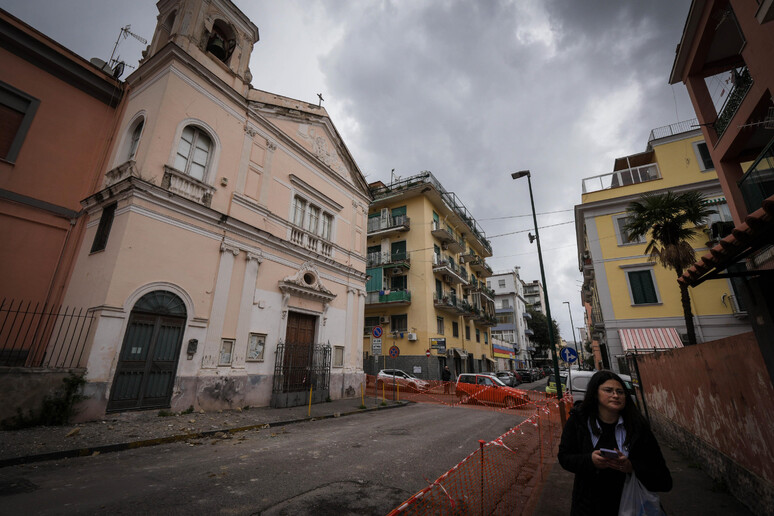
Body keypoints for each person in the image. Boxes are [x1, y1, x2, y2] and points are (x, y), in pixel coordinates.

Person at [558, 370, 672, 515]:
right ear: (595, 393)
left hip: (632, 506)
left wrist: (631, 466)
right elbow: (564, 457)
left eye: (620, 392)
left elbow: (664, 478)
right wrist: (590, 460)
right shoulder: (578, 422)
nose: (616, 395)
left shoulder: (638, 427)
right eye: (608, 390)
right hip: (588, 507)